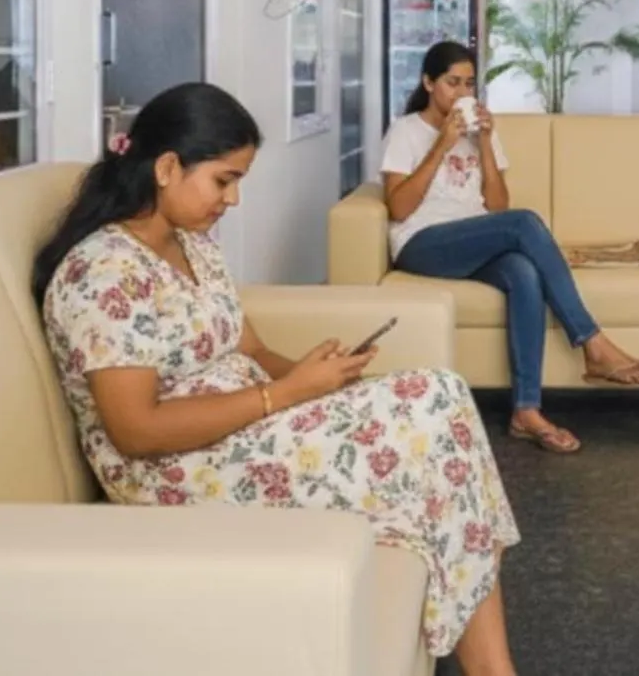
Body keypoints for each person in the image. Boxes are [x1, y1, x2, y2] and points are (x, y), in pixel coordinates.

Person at [33, 83, 521, 674]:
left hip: (246, 428)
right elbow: (136, 430)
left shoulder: (191, 245)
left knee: (440, 393)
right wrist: (287, 395)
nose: (233, 200)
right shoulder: (104, 272)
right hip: (176, 470)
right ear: (166, 167)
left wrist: (320, 378)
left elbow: (252, 347)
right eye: (223, 180)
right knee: (432, 412)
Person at [382, 41, 639, 455]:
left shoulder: (482, 134)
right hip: (423, 243)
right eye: (451, 83)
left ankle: (526, 411)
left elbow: (496, 207)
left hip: (473, 239)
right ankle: (592, 342)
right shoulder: (405, 131)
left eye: (469, 84)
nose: (461, 93)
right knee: (526, 223)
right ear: (428, 83)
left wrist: (485, 145)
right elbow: (400, 208)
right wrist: (443, 143)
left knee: (523, 272)